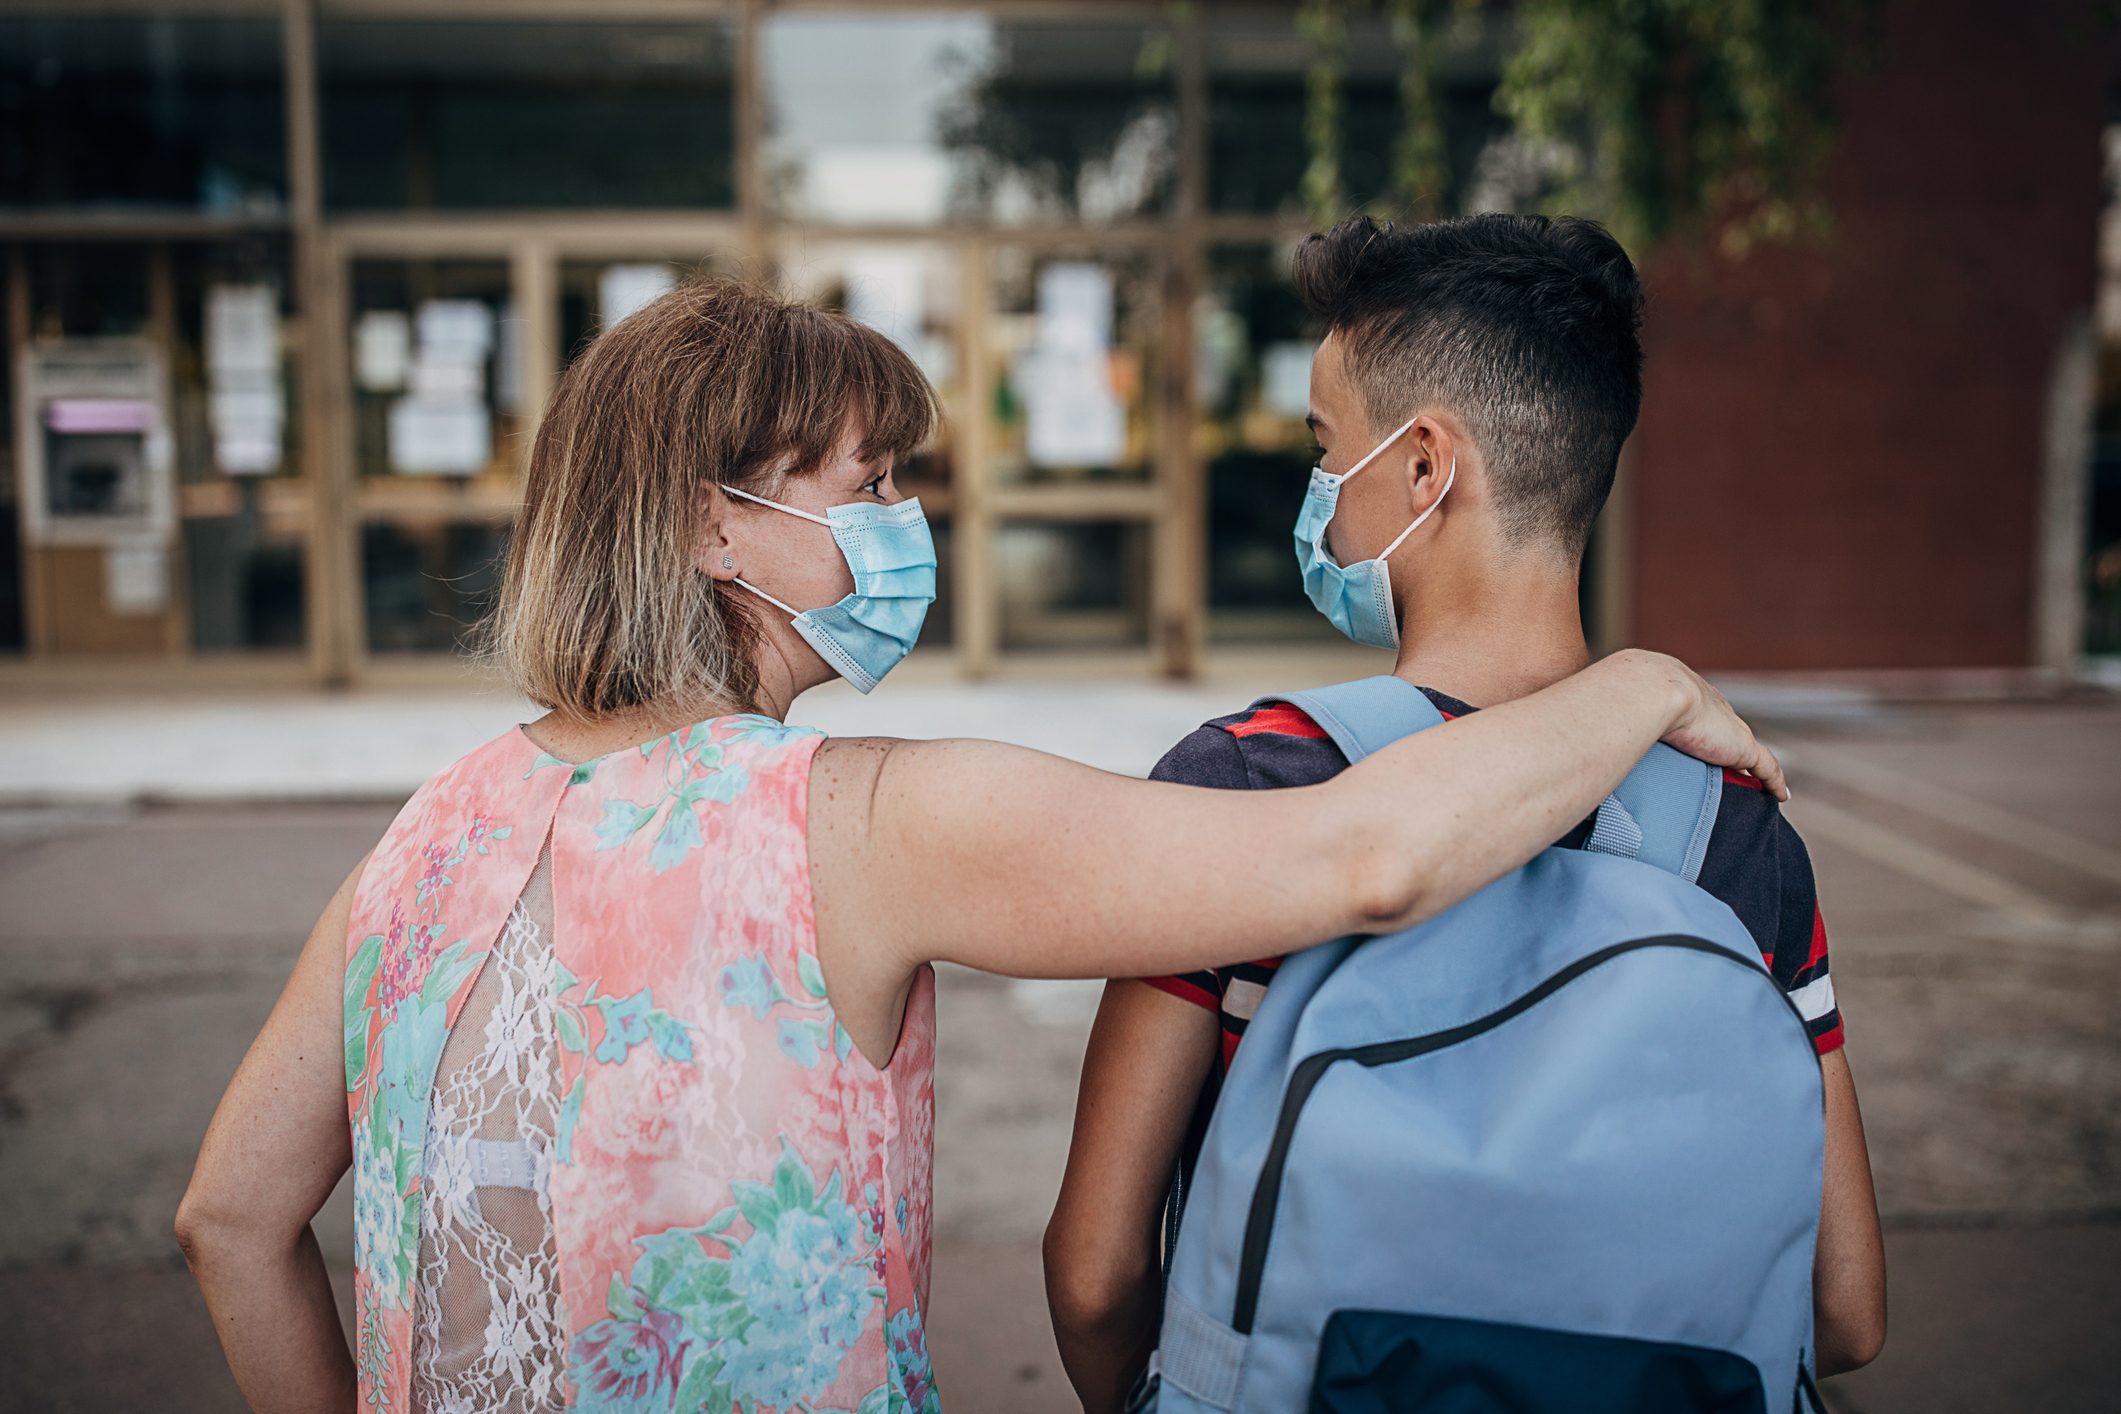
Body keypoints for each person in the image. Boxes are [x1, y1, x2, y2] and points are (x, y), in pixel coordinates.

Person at [174, 276, 1782, 1414]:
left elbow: (232, 1219)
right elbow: (1361, 857)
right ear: (711, 520)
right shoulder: (858, 820)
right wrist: (1641, 682)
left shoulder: (438, 827)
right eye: (868, 480)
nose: (903, 521)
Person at [1044, 213, 1887, 1412]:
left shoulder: (1253, 783)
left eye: (1329, 448)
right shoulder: (1737, 835)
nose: (1322, 494)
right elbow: (1845, 1310)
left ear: (1425, 467)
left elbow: (1094, 1273)